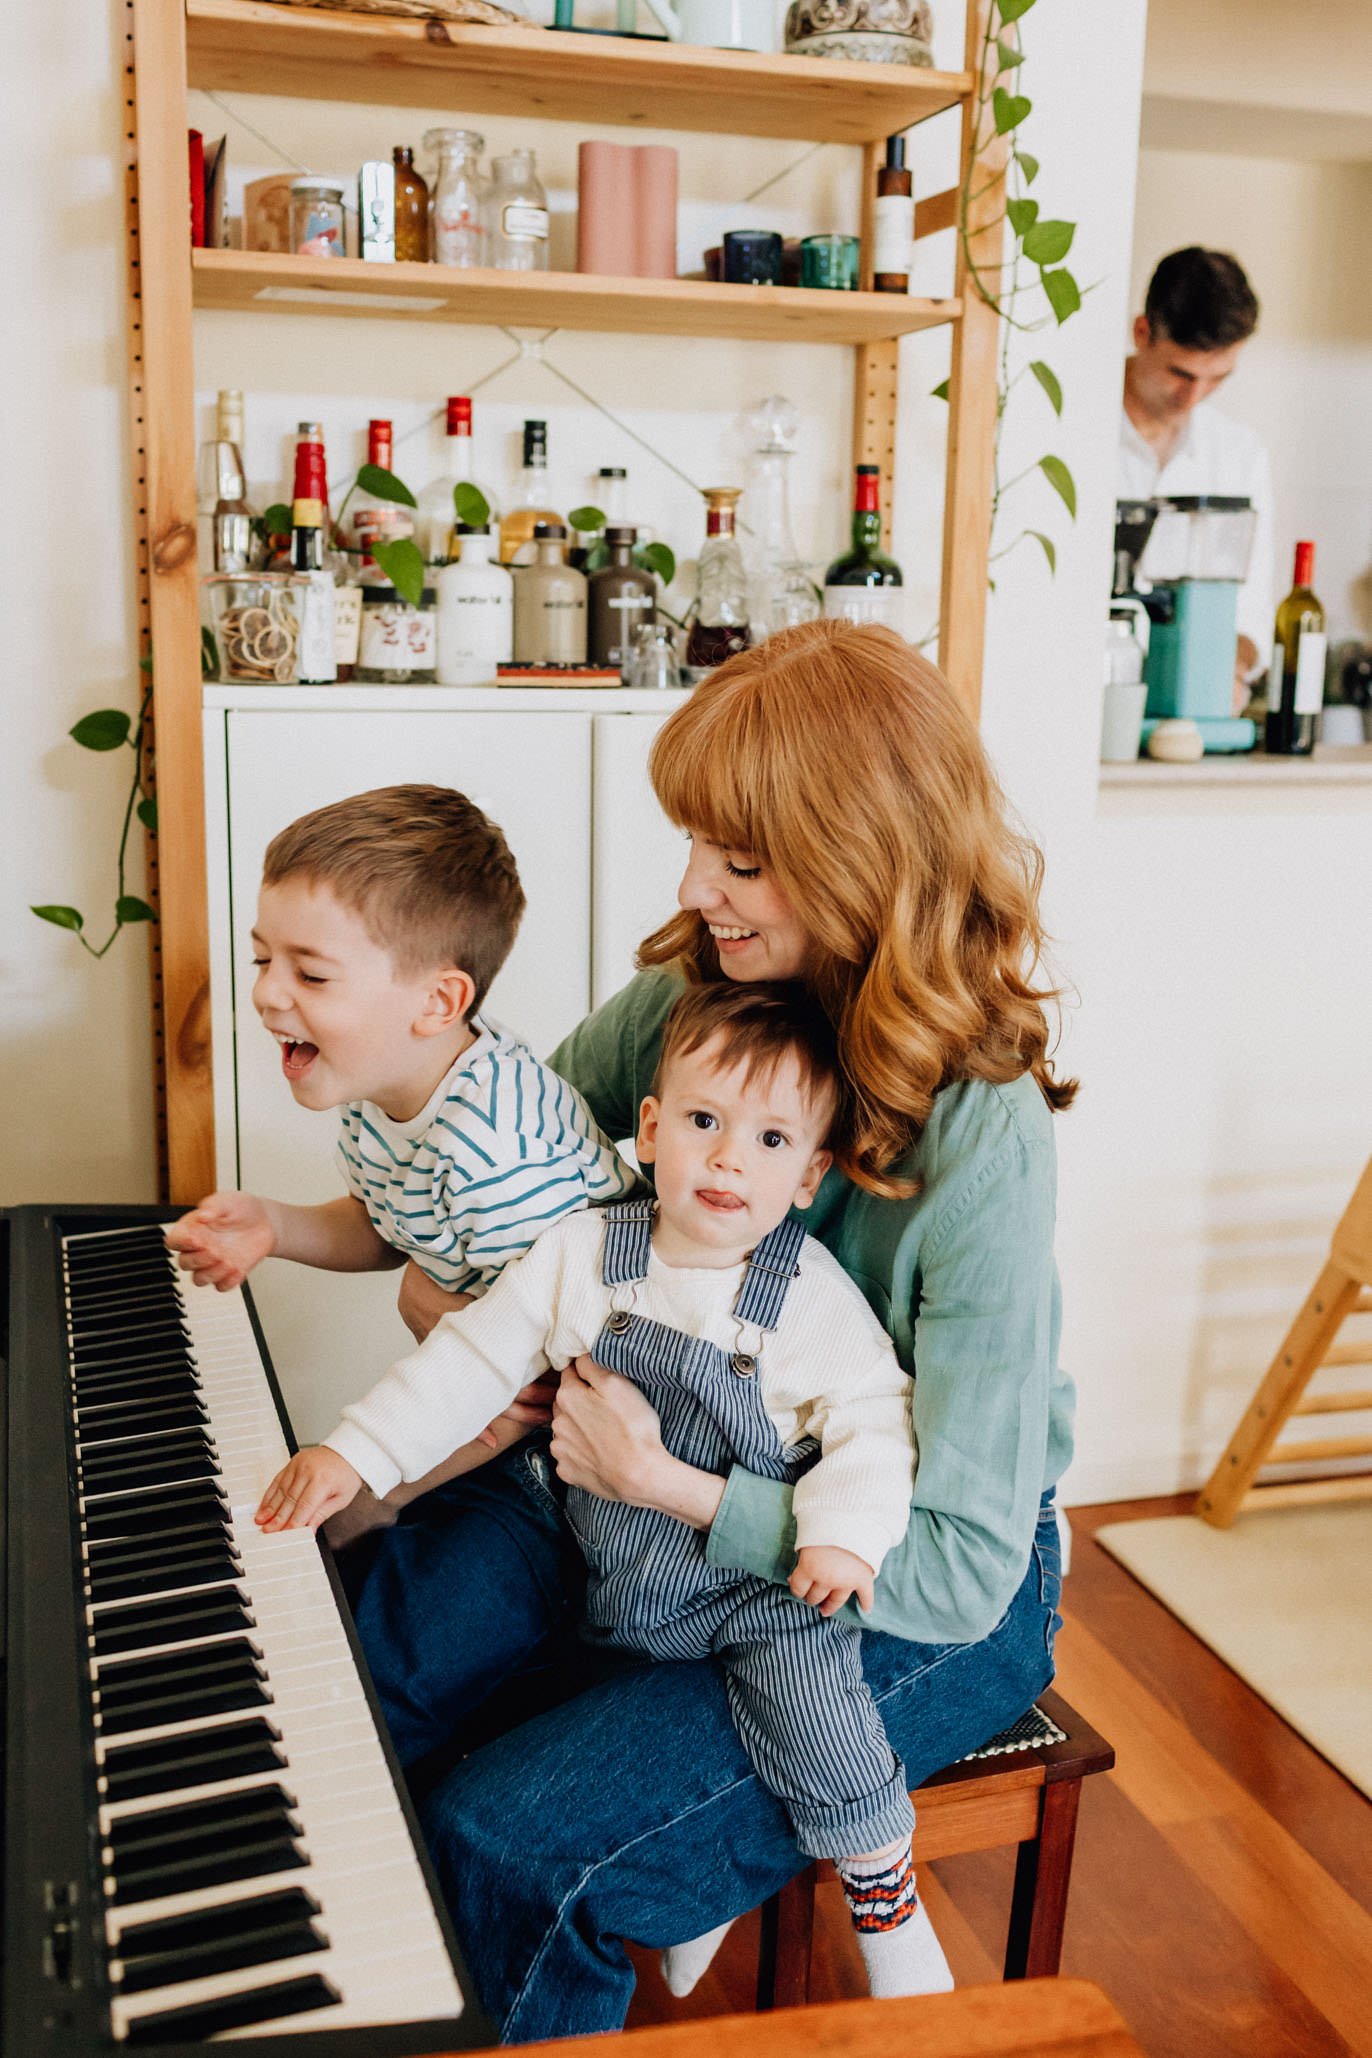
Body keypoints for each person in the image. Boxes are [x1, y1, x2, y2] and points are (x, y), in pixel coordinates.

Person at [348, 618, 1076, 2041]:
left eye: (738, 859)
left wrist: (672, 1486)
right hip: (624, 1499)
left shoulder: (983, 1136)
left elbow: (958, 1565)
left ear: (861, 862)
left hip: (898, 1578)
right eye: (696, 844)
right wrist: (450, 1295)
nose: (693, 888)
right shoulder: (694, 997)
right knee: (363, 1675)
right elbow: (514, 1180)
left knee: (510, 1842)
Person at [258, 978, 955, 2000]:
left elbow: (873, 1419)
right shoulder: (584, 1254)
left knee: (814, 1712)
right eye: (705, 1122)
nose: (728, 1158)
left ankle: (883, 1891)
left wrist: (841, 1536)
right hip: (615, 1574)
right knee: (556, 1712)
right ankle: (697, 1886)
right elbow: (467, 1361)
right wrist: (356, 1454)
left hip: (754, 1590)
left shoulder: (805, 1297)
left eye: (770, 1141)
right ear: (651, 1129)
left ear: (809, 1174)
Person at [166, 785, 635, 1511]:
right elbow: (387, 1226)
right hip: (487, 1380)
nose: (267, 994)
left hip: (582, 1406)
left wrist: (373, 1494)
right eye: (263, 960)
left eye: (310, 974)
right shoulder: (388, 1089)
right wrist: (275, 1226)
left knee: (359, 1536)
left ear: (438, 1004)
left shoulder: (494, 1154)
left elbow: (529, 1371)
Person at [1120, 245, 1274, 708]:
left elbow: (1251, 614)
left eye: (1217, 378)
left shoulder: (1240, 455)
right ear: (1142, 333)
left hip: (1193, 710)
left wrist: (1232, 670)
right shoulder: (1072, 436)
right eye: (1181, 373)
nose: (1194, 396)